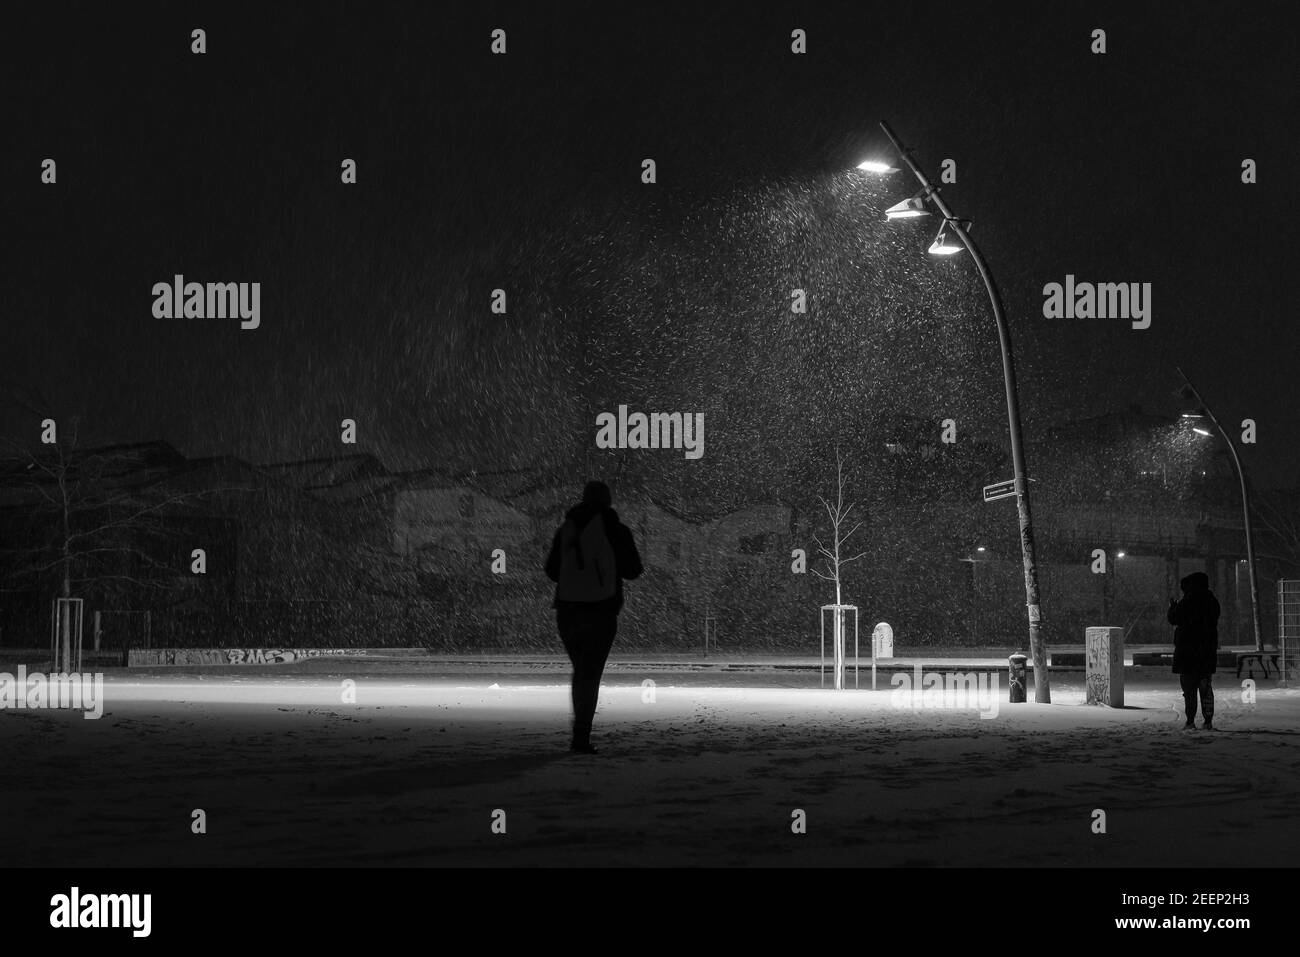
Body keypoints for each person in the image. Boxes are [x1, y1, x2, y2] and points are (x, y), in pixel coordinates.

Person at [544, 480, 643, 754]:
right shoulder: (616, 529)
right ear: (608, 500)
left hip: (567, 611)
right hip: (601, 610)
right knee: (591, 674)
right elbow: (634, 569)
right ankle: (581, 736)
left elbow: (552, 571)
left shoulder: (566, 529)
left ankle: (579, 731)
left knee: (580, 672)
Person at [1167, 571, 1220, 730]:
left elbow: (1174, 619)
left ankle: (1190, 721)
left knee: (1189, 690)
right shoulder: (1212, 601)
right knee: (1205, 688)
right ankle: (1208, 721)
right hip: (1206, 652)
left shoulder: (1187, 601)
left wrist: (1172, 607)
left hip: (1187, 653)